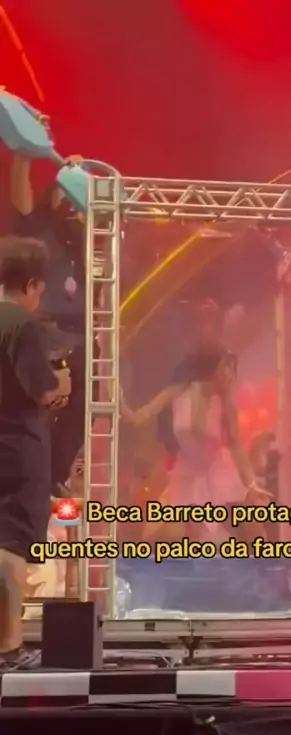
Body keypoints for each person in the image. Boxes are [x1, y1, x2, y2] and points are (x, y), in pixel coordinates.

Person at [122, 301, 269, 544]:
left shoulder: (226, 403)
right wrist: (117, 400)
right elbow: (138, 416)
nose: (230, 375)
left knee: (253, 524)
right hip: (187, 471)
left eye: (232, 368)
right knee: (170, 535)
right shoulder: (179, 391)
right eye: (226, 367)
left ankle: (270, 563)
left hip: (217, 470)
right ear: (213, 367)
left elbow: (236, 447)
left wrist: (251, 484)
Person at [0, 236, 71, 667]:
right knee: (9, 547)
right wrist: (61, 382)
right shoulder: (24, 327)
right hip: (16, 451)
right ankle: (8, 646)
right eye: (40, 289)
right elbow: (43, 390)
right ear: (29, 284)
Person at [10, 149, 87, 496]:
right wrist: (24, 154)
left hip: (80, 332)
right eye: (63, 193)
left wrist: (83, 184)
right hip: (46, 329)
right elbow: (20, 193)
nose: (69, 201)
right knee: (43, 403)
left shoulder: (82, 234)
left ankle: (56, 473)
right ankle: (31, 474)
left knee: (82, 407)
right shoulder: (38, 227)